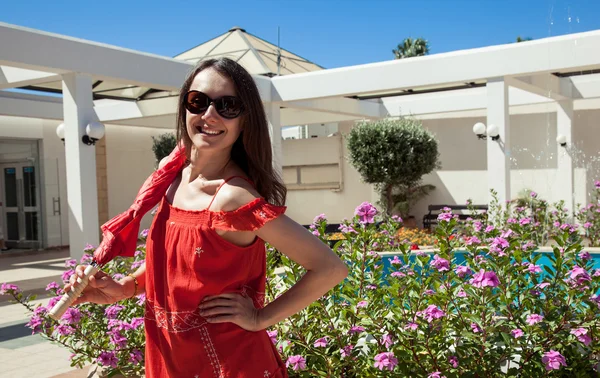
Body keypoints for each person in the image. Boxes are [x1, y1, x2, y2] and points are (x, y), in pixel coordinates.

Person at [65, 57, 348, 377]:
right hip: (170, 358)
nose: (209, 114)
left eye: (228, 105)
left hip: (227, 364)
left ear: (245, 120)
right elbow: (178, 261)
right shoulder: (171, 175)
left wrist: (260, 318)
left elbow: (330, 267)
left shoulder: (232, 197)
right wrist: (125, 288)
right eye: (198, 101)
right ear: (185, 107)